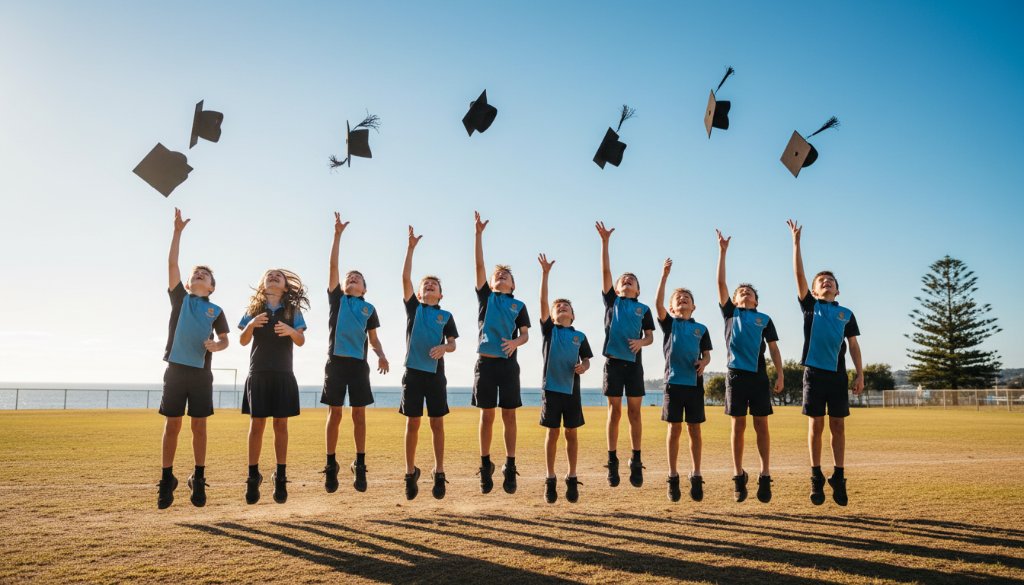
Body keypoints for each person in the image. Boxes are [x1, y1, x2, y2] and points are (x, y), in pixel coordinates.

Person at [787, 219, 863, 506]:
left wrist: (860, 374)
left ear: (837, 290)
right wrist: (796, 243)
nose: (826, 282)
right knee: (816, 425)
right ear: (815, 291)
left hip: (838, 376)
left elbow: (853, 345)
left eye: (830, 280)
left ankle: (839, 476)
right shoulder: (810, 306)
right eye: (821, 281)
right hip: (814, 375)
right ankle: (816, 476)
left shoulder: (847, 314)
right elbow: (799, 274)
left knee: (838, 426)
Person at [157, 208, 229, 509]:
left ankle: (198, 478)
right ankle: (167, 479)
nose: (200, 274)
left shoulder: (216, 310)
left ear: (211, 286)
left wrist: (217, 345)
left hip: (201, 374)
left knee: (199, 426)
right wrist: (177, 232)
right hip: (176, 371)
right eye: (195, 274)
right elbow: (172, 263)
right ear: (187, 284)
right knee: (173, 424)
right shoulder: (181, 299)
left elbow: (225, 340)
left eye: (205, 274)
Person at [321, 212, 389, 494]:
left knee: (358, 415)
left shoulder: (369, 309)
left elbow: (373, 339)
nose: (352, 279)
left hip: (359, 366)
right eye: (349, 277)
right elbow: (333, 265)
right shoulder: (337, 300)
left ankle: (359, 464)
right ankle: (331, 464)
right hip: (336, 364)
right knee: (335, 413)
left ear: (364, 289)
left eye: (357, 278)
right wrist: (337, 235)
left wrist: (381, 354)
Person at [716, 229, 784, 503]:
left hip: (758, 377)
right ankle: (738, 475)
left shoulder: (764, 319)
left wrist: (780, 374)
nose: (745, 292)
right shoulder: (730, 314)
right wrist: (722, 252)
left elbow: (775, 349)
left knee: (761, 425)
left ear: (756, 301)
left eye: (750, 292)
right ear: (734, 300)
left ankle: (765, 474)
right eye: (740, 292)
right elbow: (721, 283)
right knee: (738, 426)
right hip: (735, 376)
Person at [238, 268, 309, 504]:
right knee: (257, 424)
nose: (273, 276)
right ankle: (252, 476)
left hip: (283, 375)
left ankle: (280, 476)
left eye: (279, 275)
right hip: (258, 373)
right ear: (262, 285)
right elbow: (243, 340)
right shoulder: (254, 309)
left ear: (285, 287)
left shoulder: (292, 310)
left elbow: (301, 340)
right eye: (269, 275)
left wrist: (291, 331)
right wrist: (251, 325)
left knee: (281, 425)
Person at [472, 211, 531, 495]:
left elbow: (525, 335)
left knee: (509, 416)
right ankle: (485, 466)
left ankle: (510, 464)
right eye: (497, 275)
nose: (500, 276)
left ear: (512, 285)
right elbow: (479, 264)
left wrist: (515, 343)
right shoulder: (486, 297)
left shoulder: (519, 305)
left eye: (505, 275)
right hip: (485, 365)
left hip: (508, 366)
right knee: (487, 416)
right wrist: (478, 234)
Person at [400, 226, 459, 500]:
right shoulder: (414, 309)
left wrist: (444, 348)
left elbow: (453, 344)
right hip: (413, 373)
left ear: (440, 295)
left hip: (435, 375)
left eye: (434, 285)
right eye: (425, 285)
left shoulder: (446, 316)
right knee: (413, 423)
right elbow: (405, 278)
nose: (429, 286)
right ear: (419, 294)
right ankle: (410, 473)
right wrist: (410, 248)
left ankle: (439, 471)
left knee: (437, 423)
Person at [596, 221, 655, 488]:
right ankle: (612, 460)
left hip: (634, 365)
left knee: (634, 413)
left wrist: (641, 342)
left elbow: (651, 337)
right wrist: (605, 242)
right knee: (614, 411)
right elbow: (606, 271)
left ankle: (635, 459)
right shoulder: (613, 301)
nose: (626, 280)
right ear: (617, 288)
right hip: (613, 363)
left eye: (632, 280)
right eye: (623, 280)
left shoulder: (644, 309)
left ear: (638, 290)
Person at [654, 258, 712, 502]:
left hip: (694, 385)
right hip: (673, 384)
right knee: (674, 428)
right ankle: (673, 476)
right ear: (672, 307)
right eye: (678, 298)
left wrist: (704, 362)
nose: (682, 299)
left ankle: (696, 475)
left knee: (694, 429)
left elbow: (707, 355)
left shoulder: (702, 329)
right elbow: (657, 304)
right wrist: (664, 276)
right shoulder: (670, 324)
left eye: (687, 297)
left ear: (694, 306)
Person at [537, 253, 592, 504]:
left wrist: (584, 366)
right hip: (551, 390)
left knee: (571, 433)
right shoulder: (550, 331)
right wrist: (545, 274)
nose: (561, 308)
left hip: (572, 392)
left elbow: (587, 360)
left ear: (573, 315)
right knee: (552, 433)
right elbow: (543, 301)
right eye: (557, 307)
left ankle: (571, 476)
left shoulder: (580, 336)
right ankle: (550, 478)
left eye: (566, 306)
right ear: (551, 315)